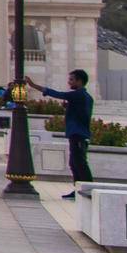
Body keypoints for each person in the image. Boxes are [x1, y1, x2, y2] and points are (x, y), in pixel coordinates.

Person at [35, 69, 94, 200]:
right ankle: (79, 190)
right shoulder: (85, 97)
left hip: (78, 134)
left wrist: (34, 85)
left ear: (79, 81)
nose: (69, 82)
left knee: (80, 163)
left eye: (72, 79)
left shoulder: (78, 95)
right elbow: (82, 113)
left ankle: (89, 191)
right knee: (74, 163)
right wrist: (69, 108)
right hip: (77, 134)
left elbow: (58, 94)